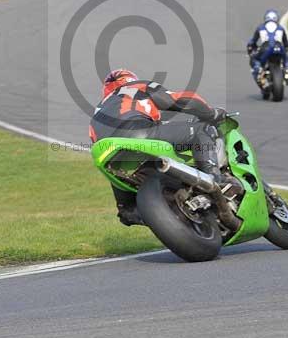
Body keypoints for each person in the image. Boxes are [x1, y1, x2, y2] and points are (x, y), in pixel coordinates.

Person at [89, 69, 228, 226]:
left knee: (126, 209)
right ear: (129, 79)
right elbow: (177, 100)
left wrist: (124, 203)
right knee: (200, 131)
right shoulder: (134, 86)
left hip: (112, 157)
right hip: (140, 133)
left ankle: (132, 209)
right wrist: (211, 113)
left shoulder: (97, 114)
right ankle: (215, 180)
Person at [247, 9, 288, 84]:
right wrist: (286, 48)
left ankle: (259, 71)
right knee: (287, 58)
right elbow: (287, 44)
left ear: (265, 18)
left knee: (253, 58)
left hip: (265, 47)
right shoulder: (281, 28)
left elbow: (252, 42)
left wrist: (251, 48)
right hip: (279, 47)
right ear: (276, 18)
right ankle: (286, 70)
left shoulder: (260, 27)